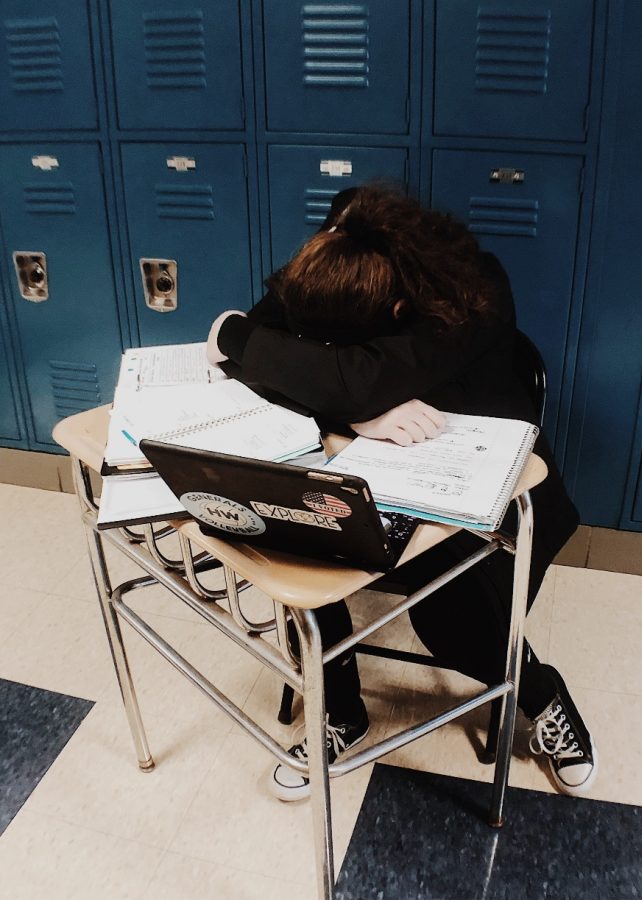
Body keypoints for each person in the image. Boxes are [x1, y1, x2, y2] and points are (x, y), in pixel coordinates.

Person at [206, 185, 597, 802]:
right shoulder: (337, 263)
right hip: (370, 470)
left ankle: (542, 692)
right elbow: (272, 343)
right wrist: (353, 418)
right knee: (298, 544)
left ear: (390, 311)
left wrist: (240, 341)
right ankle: (339, 710)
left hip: (481, 487)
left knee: (453, 624)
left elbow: (341, 372)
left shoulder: (469, 293)